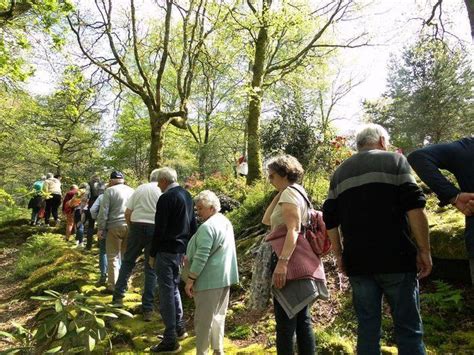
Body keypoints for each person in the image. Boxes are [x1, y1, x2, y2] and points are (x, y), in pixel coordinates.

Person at [323, 124, 432, 354]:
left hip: (358, 263)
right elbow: (415, 208)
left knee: (367, 328)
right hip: (397, 259)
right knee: (408, 328)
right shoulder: (395, 161)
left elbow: (330, 220)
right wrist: (424, 250)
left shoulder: (339, 173)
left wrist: (339, 255)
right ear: (382, 141)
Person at [262, 154, 328, 355]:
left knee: (285, 325)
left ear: (283, 174)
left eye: (272, 176)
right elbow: (267, 220)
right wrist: (281, 190)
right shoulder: (293, 192)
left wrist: (282, 263)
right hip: (300, 260)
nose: (269, 180)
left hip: (291, 262)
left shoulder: (290, 194)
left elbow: (293, 229)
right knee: (302, 320)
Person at [408, 137, 474, 284]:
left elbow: (419, 157)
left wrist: (453, 195)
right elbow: (418, 158)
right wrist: (453, 195)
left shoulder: (466, 148)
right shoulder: (467, 148)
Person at [149, 167, 197, 354]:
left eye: (158, 182)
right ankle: (179, 328)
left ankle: (170, 339)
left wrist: (152, 254)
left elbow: (159, 229)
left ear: (163, 181)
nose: (158, 186)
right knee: (174, 287)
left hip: (166, 250)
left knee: (166, 291)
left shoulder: (166, 198)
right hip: (180, 250)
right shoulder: (187, 195)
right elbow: (193, 224)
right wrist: (189, 249)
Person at [184, 190, 239, 355]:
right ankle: (218, 349)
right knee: (218, 316)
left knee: (203, 321)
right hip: (224, 277)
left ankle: (202, 352)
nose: (198, 212)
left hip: (209, 280)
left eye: (201, 208)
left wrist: (190, 279)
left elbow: (202, 256)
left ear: (212, 208)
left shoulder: (208, 227)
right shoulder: (224, 221)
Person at [112, 169, 161, 321]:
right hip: (154, 228)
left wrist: (131, 226)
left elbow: (128, 211)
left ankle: (117, 298)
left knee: (127, 262)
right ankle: (147, 308)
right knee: (151, 267)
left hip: (137, 225)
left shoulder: (140, 188)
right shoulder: (162, 190)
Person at [97, 171, 134, 293]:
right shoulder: (131, 190)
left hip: (114, 226)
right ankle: (125, 283)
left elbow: (104, 211)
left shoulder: (109, 191)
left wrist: (101, 228)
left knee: (112, 256)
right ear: (122, 180)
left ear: (111, 180)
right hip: (130, 225)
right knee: (125, 256)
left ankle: (113, 285)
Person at [90, 184, 108, 284]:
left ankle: (103, 275)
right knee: (118, 252)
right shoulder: (125, 194)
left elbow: (92, 210)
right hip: (120, 225)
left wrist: (96, 218)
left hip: (104, 227)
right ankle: (117, 277)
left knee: (103, 251)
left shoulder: (101, 197)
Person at [85, 175, 104, 250]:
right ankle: (100, 244)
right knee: (101, 225)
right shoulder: (102, 184)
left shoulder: (89, 184)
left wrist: (83, 206)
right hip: (101, 204)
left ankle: (88, 246)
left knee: (90, 225)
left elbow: (86, 195)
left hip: (92, 204)